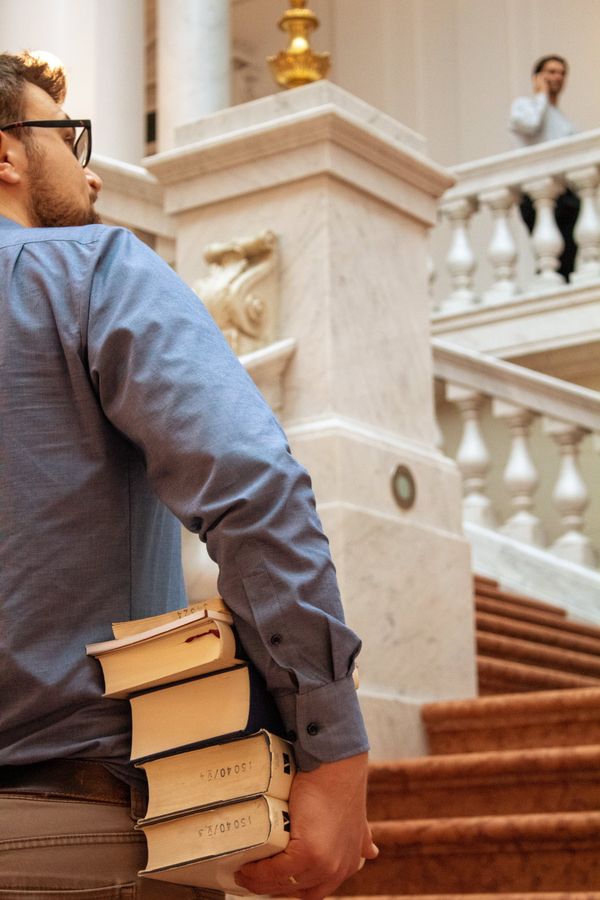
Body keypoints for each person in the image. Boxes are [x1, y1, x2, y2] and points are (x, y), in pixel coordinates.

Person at [0, 51, 378, 899]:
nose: (90, 178)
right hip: (72, 837)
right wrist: (333, 753)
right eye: (70, 140)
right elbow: (252, 488)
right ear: (7, 154)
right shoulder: (86, 272)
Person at [509, 54, 580, 281]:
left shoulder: (564, 121)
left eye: (561, 72)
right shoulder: (524, 106)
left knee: (571, 251)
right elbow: (530, 125)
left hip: (566, 195)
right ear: (537, 77)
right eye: (551, 71)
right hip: (537, 192)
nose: (557, 77)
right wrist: (541, 95)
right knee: (548, 252)